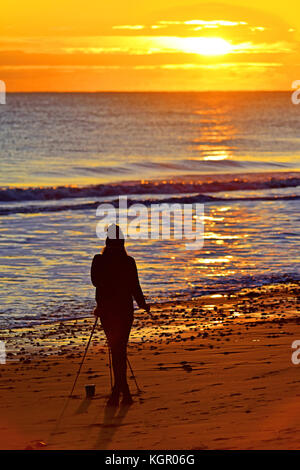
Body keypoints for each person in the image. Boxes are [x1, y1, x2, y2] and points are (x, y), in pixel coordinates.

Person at [91, 224, 150, 406]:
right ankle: (122, 391)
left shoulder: (99, 260)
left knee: (115, 349)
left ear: (107, 241)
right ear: (123, 242)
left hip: (107, 311)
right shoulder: (128, 261)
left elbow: (95, 282)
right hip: (124, 310)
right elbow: (135, 287)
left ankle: (119, 391)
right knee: (120, 350)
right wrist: (143, 305)